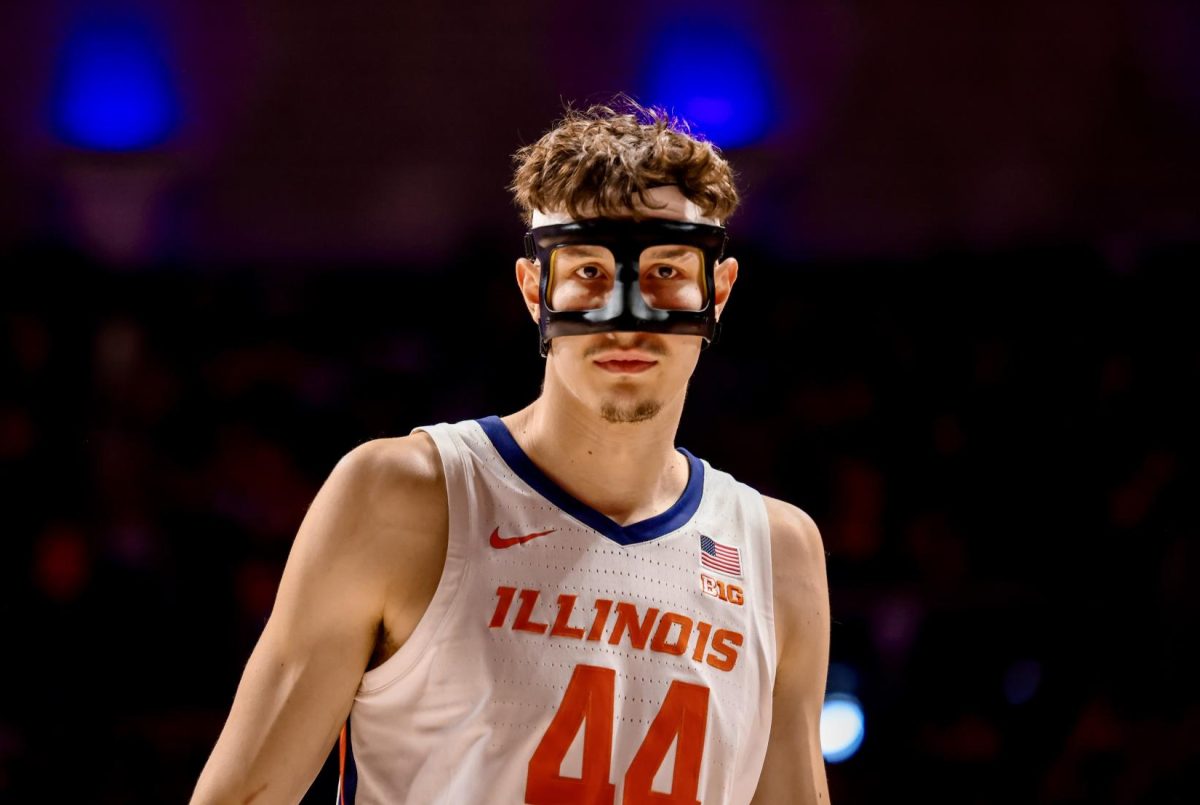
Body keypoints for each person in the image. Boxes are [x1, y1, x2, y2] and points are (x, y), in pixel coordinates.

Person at [191, 99, 831, 804]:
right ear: (534, 289)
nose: (627, 316)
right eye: (589, 272)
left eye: (664, 272)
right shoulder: (400, 497)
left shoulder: (778, 551)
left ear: (718, 290)